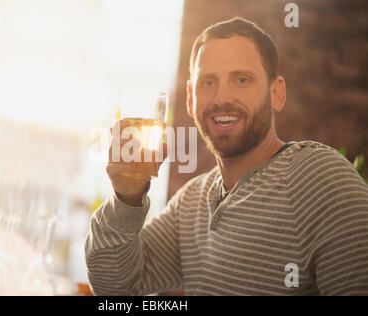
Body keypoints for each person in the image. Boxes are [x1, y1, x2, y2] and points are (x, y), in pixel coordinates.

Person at [85, 17, 368, 296]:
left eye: (242, 79)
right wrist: (127, 199)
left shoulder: (318, 178)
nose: (222, 97)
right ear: (190, 98)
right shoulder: (192, 201)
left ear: (276, 94)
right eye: (208, 82)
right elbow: (116, 288)